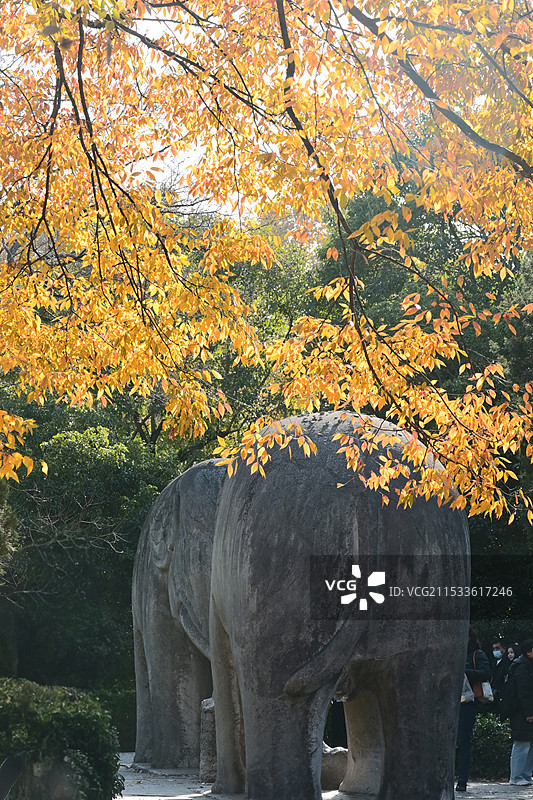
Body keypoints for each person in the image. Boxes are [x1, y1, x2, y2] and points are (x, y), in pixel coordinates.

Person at [456, 626, 490, 793]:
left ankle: (462, 779)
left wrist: (462, 672)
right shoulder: (452, 652)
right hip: (450, 703)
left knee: (464, 741)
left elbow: (485, 673)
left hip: (467, 703)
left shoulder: (477, 655)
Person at [508, 638, 533, 786]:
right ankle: (516, 776)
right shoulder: (522, 666)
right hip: (521, 711)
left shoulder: (527, 664)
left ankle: (525, 774)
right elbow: (523, 692)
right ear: (529, 651)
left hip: (525, 709)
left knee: (529, 743)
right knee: (521, 743)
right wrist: (529, 712)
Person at [491, 638, 509, 706]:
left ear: (504, 648)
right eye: (493, 649)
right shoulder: (493, 663)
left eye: (497, 648)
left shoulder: (507, 662)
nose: (495, 650)